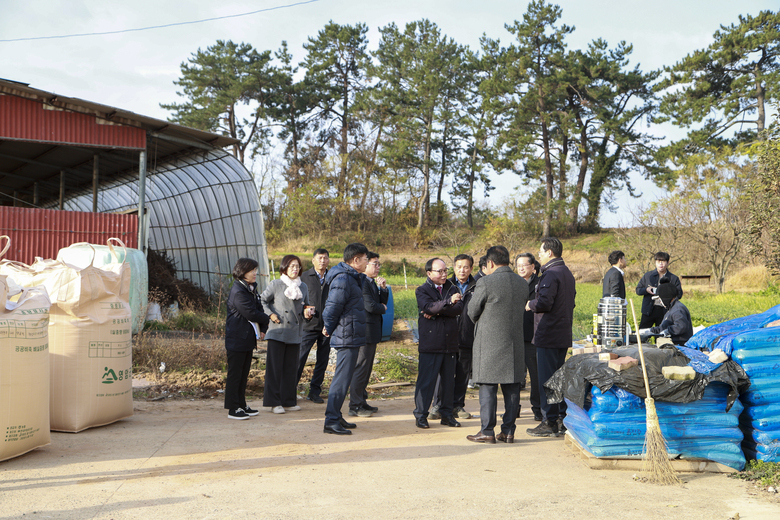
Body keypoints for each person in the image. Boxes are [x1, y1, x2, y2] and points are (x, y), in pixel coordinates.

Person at [466, 245, 528, 444]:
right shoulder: (522, 283)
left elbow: (472, 311)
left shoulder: (486, 282)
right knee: (512, 387)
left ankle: (487, 430)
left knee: (488, 387)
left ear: (490, 263)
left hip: (489, 342)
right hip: (514, 342)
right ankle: (508, 431)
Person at [525, 237, 576, 438]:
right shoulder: (567, 273)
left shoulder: (550, 274)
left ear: (549, 253)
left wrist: (531, 304)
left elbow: (545, 302)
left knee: (547, 379)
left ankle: (549, 421)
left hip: (548, 333)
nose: (539, 254)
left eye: (541, 251)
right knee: (557, 378)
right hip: (562, 333)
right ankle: (560, 418)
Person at [322, 243, 369, 435]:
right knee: (341, 380)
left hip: (351, 335)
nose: (367, 262)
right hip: (346, 336)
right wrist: (329, 328)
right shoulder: (343, 279)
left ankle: (336, 415)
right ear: (355, 260)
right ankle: (331, 420)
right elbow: (332, 307)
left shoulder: (352, 278)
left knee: (345, 378)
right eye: (365, 259)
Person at [413, 258, 463, 429]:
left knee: (448, 382)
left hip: (450, 343)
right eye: (439, 271)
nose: (443, 274)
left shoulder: (452, 287)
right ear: (429, 273)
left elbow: (459, 309)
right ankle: (421, 414)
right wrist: (448, 303)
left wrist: (437, 310)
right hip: (431, 343)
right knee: (427, 382)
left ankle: (447, 414)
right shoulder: (422, 290)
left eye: (445, 270)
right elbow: (427, 307)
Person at [261, 255, 314, 414]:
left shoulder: (302, 286)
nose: (295, 269)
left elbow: (306, 305)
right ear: (284, 267)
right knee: (275, 369)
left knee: (291, 369)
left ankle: (289, 401)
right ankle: (274, 402)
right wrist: (270, 314)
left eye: (297, 266)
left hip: (295, 332)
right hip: (278, 330)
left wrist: (308, 312)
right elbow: (262, 301)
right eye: (291, 266)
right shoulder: (276, 284)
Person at [429, 253, 477, 420]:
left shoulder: (477, 286)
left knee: (463, 373)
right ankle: (438, 405)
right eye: (458, 267)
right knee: (443, 373)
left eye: (466, 267)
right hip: (446, 336)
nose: (462, 270)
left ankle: (458, 405)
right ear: (454, 268)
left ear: (471, 268)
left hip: (466, 336)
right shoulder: (445, 285)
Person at [224, 258, 270, 420]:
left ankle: (241, 404)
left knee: (243, 374)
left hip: (247, 339)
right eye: (252, 270)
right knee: (235, 374)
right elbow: (250, 313)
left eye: (255, 270)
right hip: (237, 339)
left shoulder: (250, 289)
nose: (255, 273)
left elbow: (258, 308)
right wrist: (268, 317)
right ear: (242, 272)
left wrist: (263, 328)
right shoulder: (238, 290)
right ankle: (233, 408)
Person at [349, 252, 389, 417]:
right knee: (361, 368)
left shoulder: (371, 282)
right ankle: (355, 405)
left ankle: (362, 401)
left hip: (372, 331)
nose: (378, 267)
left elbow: (381, 302)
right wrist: (382, 308)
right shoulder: (363, 282)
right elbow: (371, 306)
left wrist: (384, 289)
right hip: (364, 331)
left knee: (367, 368)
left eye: (379, 264)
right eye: (375, 263)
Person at [296, 248, 331, 404]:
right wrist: (304, 309)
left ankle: (314, 391)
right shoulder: (304, 277)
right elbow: (296, 299)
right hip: (309, 325)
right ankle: (290, 390)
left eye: (325, 258)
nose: (322, 261)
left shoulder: (332, 277)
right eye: (320, 258)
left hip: (327, 327)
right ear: (313, 260)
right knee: (300, 358)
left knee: (322, 361)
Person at [516, 252, 542, 422]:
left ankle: (538, 409)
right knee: (514, 377)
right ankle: (513, 409)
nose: (521, 268)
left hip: (532, 336)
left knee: (535, 375)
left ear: (533, 267)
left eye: (524, 265)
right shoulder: (513, 283)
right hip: (514, 335)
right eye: (518, 265)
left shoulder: (540, 284)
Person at [638, 277, 693, 345]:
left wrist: (668, 332)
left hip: (679, 345)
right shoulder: (670, 309)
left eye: (660, 299)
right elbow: (662, 328)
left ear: (666, 297)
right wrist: (649, 331)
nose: (660, 302)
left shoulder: (678, 309)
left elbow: (681, 326)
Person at [636, 252, 683, 329]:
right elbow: (638, 290)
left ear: (667, 262)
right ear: (655, 263)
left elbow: (679, 294)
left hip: (665, 311)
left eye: (663, 261)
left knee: (661, 335)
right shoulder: (648, 276)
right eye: (658, 261)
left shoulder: (673, 278)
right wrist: (646, 290)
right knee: (643, 334)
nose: (660, 264)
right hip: (648, 311)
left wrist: (667, 293)